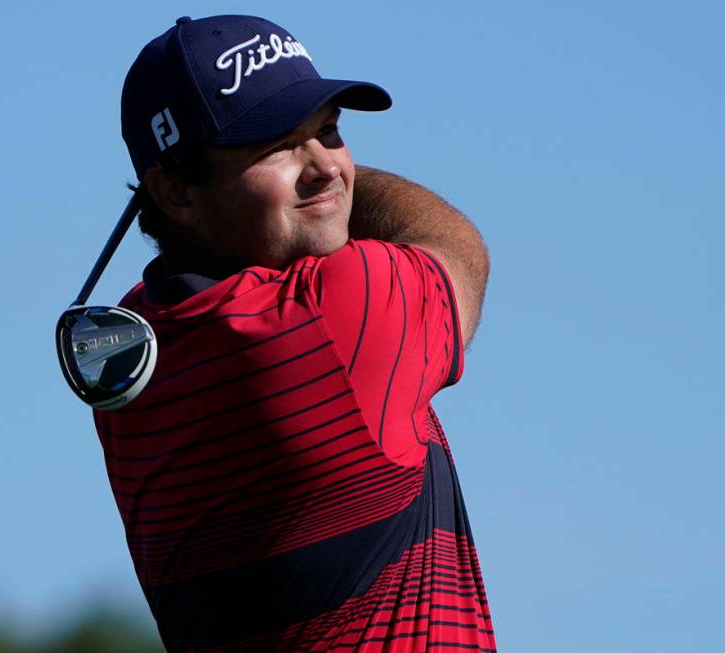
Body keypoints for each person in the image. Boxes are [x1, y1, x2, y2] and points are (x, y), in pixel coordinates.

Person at [94, 14, 494, 652]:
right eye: (276, 145)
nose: (325, 167)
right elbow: (456, 249)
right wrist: (341, 191)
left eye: (329, 131)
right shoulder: (333, 317)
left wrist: (302, 184)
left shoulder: (132, 343)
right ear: (175, 190)